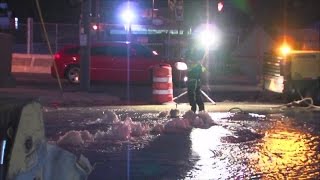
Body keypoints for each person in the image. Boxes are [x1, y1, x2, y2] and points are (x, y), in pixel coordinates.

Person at [185, 47, 206, 113]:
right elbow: (204, 70)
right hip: (196, 80)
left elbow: (190, 69)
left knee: (192, 94)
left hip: (193, 80)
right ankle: (201, 109)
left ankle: (194, 109)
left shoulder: (194, 64)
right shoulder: (199, 64)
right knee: (197, 94)